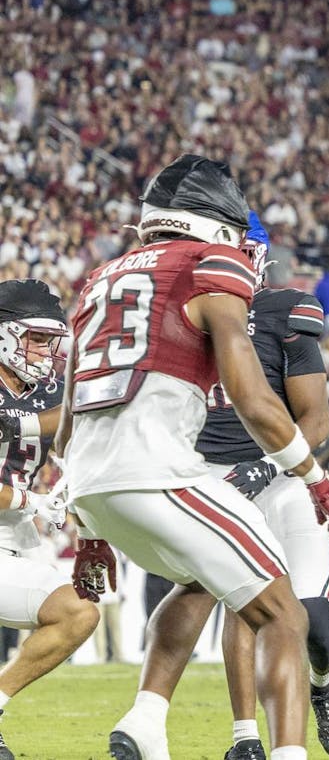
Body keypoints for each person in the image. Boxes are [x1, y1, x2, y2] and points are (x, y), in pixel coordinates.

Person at [57, 154, 329, 760]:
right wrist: (315, 476)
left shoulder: (102, 277)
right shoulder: (213, 262)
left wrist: (88, 531)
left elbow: (66, 427)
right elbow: (253, 400)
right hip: (161, 470)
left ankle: (144, 722)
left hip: (88, 481)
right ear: (218, 225)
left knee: (196, 581)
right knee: (284, 614)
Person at [192, 211, 329, 758]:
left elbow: (316, 419)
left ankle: (324, 679)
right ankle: (245, 739)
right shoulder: (179, 312)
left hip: (284, 479)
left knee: (313, 622)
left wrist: (268, 465)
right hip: (214, 477)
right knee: (245, 602)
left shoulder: (285, 311)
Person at [0, 280, 98, 760]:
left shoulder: (44, 393)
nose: (45, 350)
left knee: (78, 613)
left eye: (49, 339)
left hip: (16, 540)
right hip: (11, 525)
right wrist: (28, 500)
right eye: (35, 338)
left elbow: (70, 426)